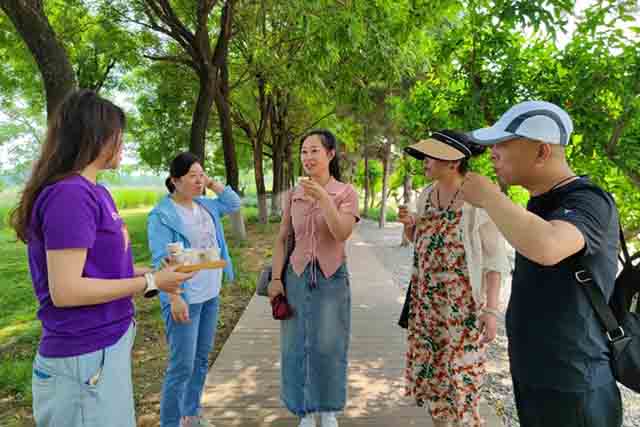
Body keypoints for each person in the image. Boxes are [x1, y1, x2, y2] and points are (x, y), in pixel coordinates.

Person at [9, 89, 192, 426]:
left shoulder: (96, 192)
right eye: (116, 133)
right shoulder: (69, 195)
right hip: (83, 356)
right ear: (94, 135)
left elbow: (104, 270)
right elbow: (66, 290)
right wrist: (151, 282)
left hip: (107, 348)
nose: (122, 141)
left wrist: (153, 273)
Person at [460, 101, 622, 427]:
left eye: (503, 144)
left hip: (575, 380)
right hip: (536, 374)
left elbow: (548, 246)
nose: (493, 154)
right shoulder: (538, 202)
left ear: (542, 152)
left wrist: (491, 197)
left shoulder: (589, 199)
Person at [399, 130, 510, 427]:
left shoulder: (478, 200)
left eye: (430, 155)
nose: (424, 161)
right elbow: (421, 243)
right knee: (435, 382)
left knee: (462, 382)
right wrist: (411, 227)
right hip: (427, 307)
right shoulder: (427, 195)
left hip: (462, 310)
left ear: (453, 162)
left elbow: (494, 259)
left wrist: (490, 310)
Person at [267, 130, 360, 427]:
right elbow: (283, 238)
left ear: (330, 154)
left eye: (314, 151)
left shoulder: (346, 193)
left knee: (329, 344)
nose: (307, 157)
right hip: (295, 275)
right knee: (296, 345)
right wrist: (276, 278)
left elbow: (341, 233)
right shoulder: (293, 194)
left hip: (331, 278)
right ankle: (304, 410)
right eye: (304, 151)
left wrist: (322, 197)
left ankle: (328, 409)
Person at [147, 152, 241, 427]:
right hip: (184, 298)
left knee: (200, 360)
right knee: (181, 366)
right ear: (175, 181)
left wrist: (208, 181)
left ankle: (191, 416)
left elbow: (233, 202)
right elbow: (159, 262)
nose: (199, 181)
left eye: (202, 174)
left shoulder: (206, 206)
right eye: (192, 176)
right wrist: (174, 298)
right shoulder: (162, 216)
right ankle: (171, 422)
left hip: (210, 294)